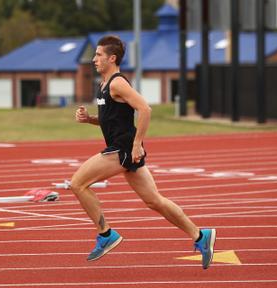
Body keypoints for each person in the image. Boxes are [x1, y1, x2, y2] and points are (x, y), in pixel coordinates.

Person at [71, 35, 216, 269]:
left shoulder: (118, 83)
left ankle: (106, 234)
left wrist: (138, 144)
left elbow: (145, 109)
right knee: (154, 201)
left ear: (112, 58)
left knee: (77, 183)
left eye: (98, 55)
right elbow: (113, 120)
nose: (94, 59)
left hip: (123, 149)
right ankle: (201, 236)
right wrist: (90, 120)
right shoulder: (103, 85)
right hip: (123, 148)